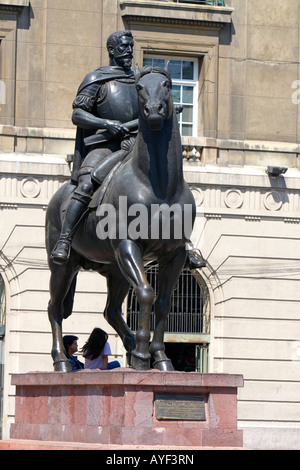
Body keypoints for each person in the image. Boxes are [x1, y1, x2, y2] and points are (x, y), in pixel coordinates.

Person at [51, 30, 139, 265]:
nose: (129, 50)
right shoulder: (97, 79)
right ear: (111, 50)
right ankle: (65, 239)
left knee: (168, 181)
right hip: (106, 146)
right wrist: (106, 124)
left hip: (136, 146)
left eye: (131, 46)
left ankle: (181, 243)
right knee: (88, 182)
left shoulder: (139, 80)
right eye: (124, 47)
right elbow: (78, 114)